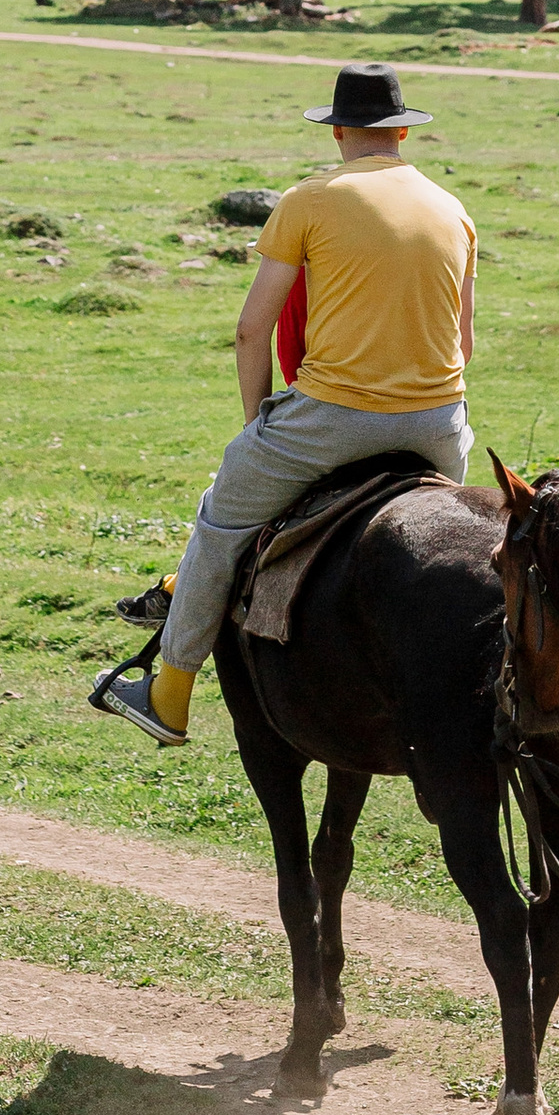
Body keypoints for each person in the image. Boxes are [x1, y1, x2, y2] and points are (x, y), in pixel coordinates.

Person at [90, 62, 476, 745]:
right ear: (403, 134)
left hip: (332, 416)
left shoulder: (308, 200)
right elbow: (465, 344)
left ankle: (168, 692)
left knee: (223, 515)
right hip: (440, 427)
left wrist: (256, 427)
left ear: (338, 133)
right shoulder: (454, 210)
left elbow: (251, 328)